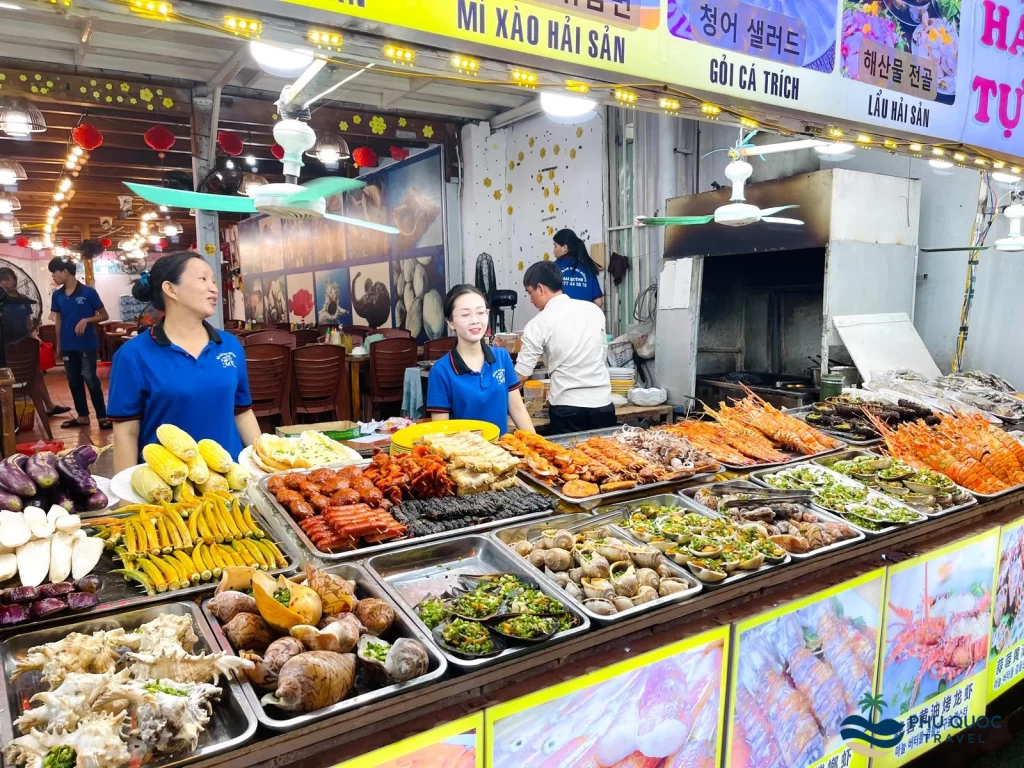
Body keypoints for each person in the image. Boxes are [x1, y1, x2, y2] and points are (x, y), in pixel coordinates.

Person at [108, 252, 261, 473]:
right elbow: (126, 432)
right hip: (168, 485)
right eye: (203, 279)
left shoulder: (230, 345)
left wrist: (265, 468)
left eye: (214, 280)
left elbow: (242, 412)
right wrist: (126, 500)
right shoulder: (133, 355)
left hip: (230, 478)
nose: (214, 288)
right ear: (171, 289)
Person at [515, 261, 615, 435]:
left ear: (540, 288)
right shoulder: (593, 311)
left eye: (530, 293)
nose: (531, 300)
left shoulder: (539, 322)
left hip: (568, 410)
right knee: (605, 460)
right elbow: (602, 353)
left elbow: (522, 374)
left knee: (570, 460)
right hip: (603, 405)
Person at [427, 285, 534, 435]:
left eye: (480, 312)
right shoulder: (441, 371)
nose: (475, 321)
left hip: (502, 453)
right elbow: (441, 431)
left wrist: (536, 445)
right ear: (450, 322)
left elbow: (516, 408)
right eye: (465, 315)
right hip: (465, 455)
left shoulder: (502, 357)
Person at [48, 257, 111, 429]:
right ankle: (82, 416)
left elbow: (104, 315)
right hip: (68, 345)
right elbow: (58, 321)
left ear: (65, 272)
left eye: (54, 272)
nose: (53, 276)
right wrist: (59, 345)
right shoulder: (57, 295)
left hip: (86, 344)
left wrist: (87, 320)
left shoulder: (88, 293)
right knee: (73, 380)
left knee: (90, 378)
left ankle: (102, 416)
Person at [0, 268, 69, 418]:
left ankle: (49, 406)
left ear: (15, 281)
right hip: (4, 344)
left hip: (24, 341)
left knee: (36, 373)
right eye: (2, 279)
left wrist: (35, 336)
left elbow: (28, 322)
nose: (5, 282)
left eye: (8, 279)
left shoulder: (24, 299)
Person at [553, 228, 603, 307]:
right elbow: (598, 302)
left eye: (555, 246)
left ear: (565, 248)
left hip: (560, 317)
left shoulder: (552, 268)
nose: (553, 250)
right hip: (584, 318)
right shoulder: (587, 267)